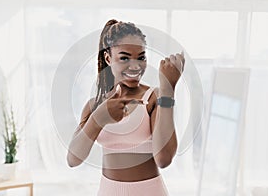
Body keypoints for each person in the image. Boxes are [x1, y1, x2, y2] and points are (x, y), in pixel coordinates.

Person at [67, 19, 185, 196]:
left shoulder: (154, 98)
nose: (135, 66)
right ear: (108, 58)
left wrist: (168, 89)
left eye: (141, 57)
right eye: (124, 58)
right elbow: (73, 159)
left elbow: (164, 159)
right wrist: (99, 118)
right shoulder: (95, 105)